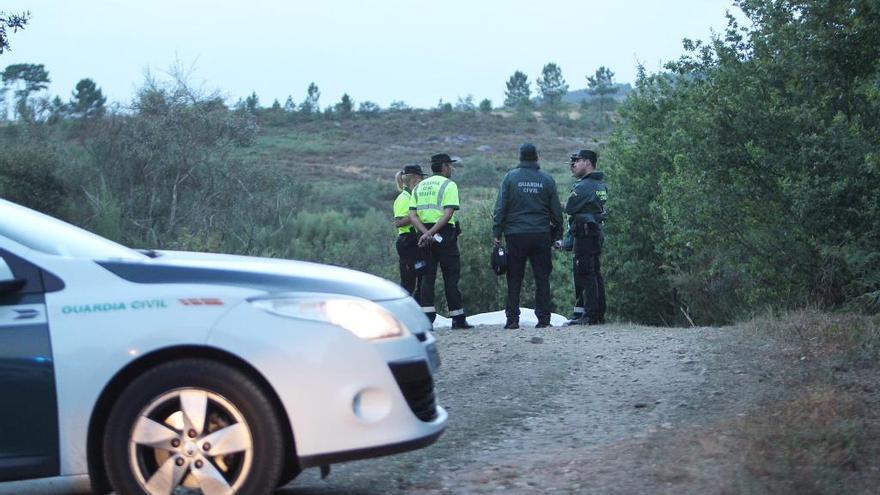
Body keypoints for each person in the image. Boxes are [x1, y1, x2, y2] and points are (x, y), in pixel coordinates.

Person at [492, 143, 563, 329]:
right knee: (542, 277)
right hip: (541, 234)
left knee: (514, 277)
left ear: (520, 157)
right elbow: (556, 211)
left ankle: (513, 320)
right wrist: (557, 232)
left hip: (516, 235)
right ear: (536, 157)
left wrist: (497, 232)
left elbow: (500, 208)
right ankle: (544, 319)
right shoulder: (547, 179)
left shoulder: (510, 178)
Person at [408, 153, 474, 329]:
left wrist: (425, 233)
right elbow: (448, 213)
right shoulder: (449, 185)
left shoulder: (419, 187)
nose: (451, 169)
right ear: (444, 166)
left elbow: (412, 215)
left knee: (427, 278)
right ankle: (457, 318)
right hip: (443, 234)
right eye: (450, 166)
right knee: (451, 276)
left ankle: (427, 320)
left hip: (422, 236)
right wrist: (432, 232)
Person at [564, 149, 608, 325]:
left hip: (584, 234)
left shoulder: (583, 186)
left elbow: (569, 207)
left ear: (588, 162)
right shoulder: (601, 185)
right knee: (595, 273)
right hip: (595, 233)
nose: (573, 165)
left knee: (585, 273)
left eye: (578, 160)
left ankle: (589, 315)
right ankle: (597, 314)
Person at [393, 164, 427, 302]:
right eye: (421, 178)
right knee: (408, 282)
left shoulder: (412, 197)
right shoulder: (403, 199)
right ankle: (402, 313)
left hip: (414, 242)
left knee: (421, 279)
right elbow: (398, 222)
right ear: (415, 178)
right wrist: (416, 215)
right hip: (407, 242)